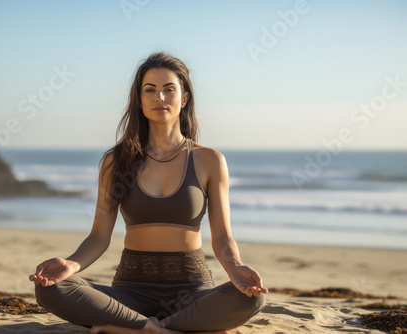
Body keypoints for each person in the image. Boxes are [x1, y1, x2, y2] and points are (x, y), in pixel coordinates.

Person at [30, 52, 267, 334]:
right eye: (150, 90)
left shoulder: (210, 161)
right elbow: (98, 236)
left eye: (169, 89)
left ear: (185, 98)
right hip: (130, 293)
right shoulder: (116, 161)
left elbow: (223, 237)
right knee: (50, 289)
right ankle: (162, 327)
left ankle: (139, 329)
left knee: (252, 296)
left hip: (191, 292)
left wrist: (235, 268)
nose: (160, 97)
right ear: (139, 99)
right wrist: (70, 264)